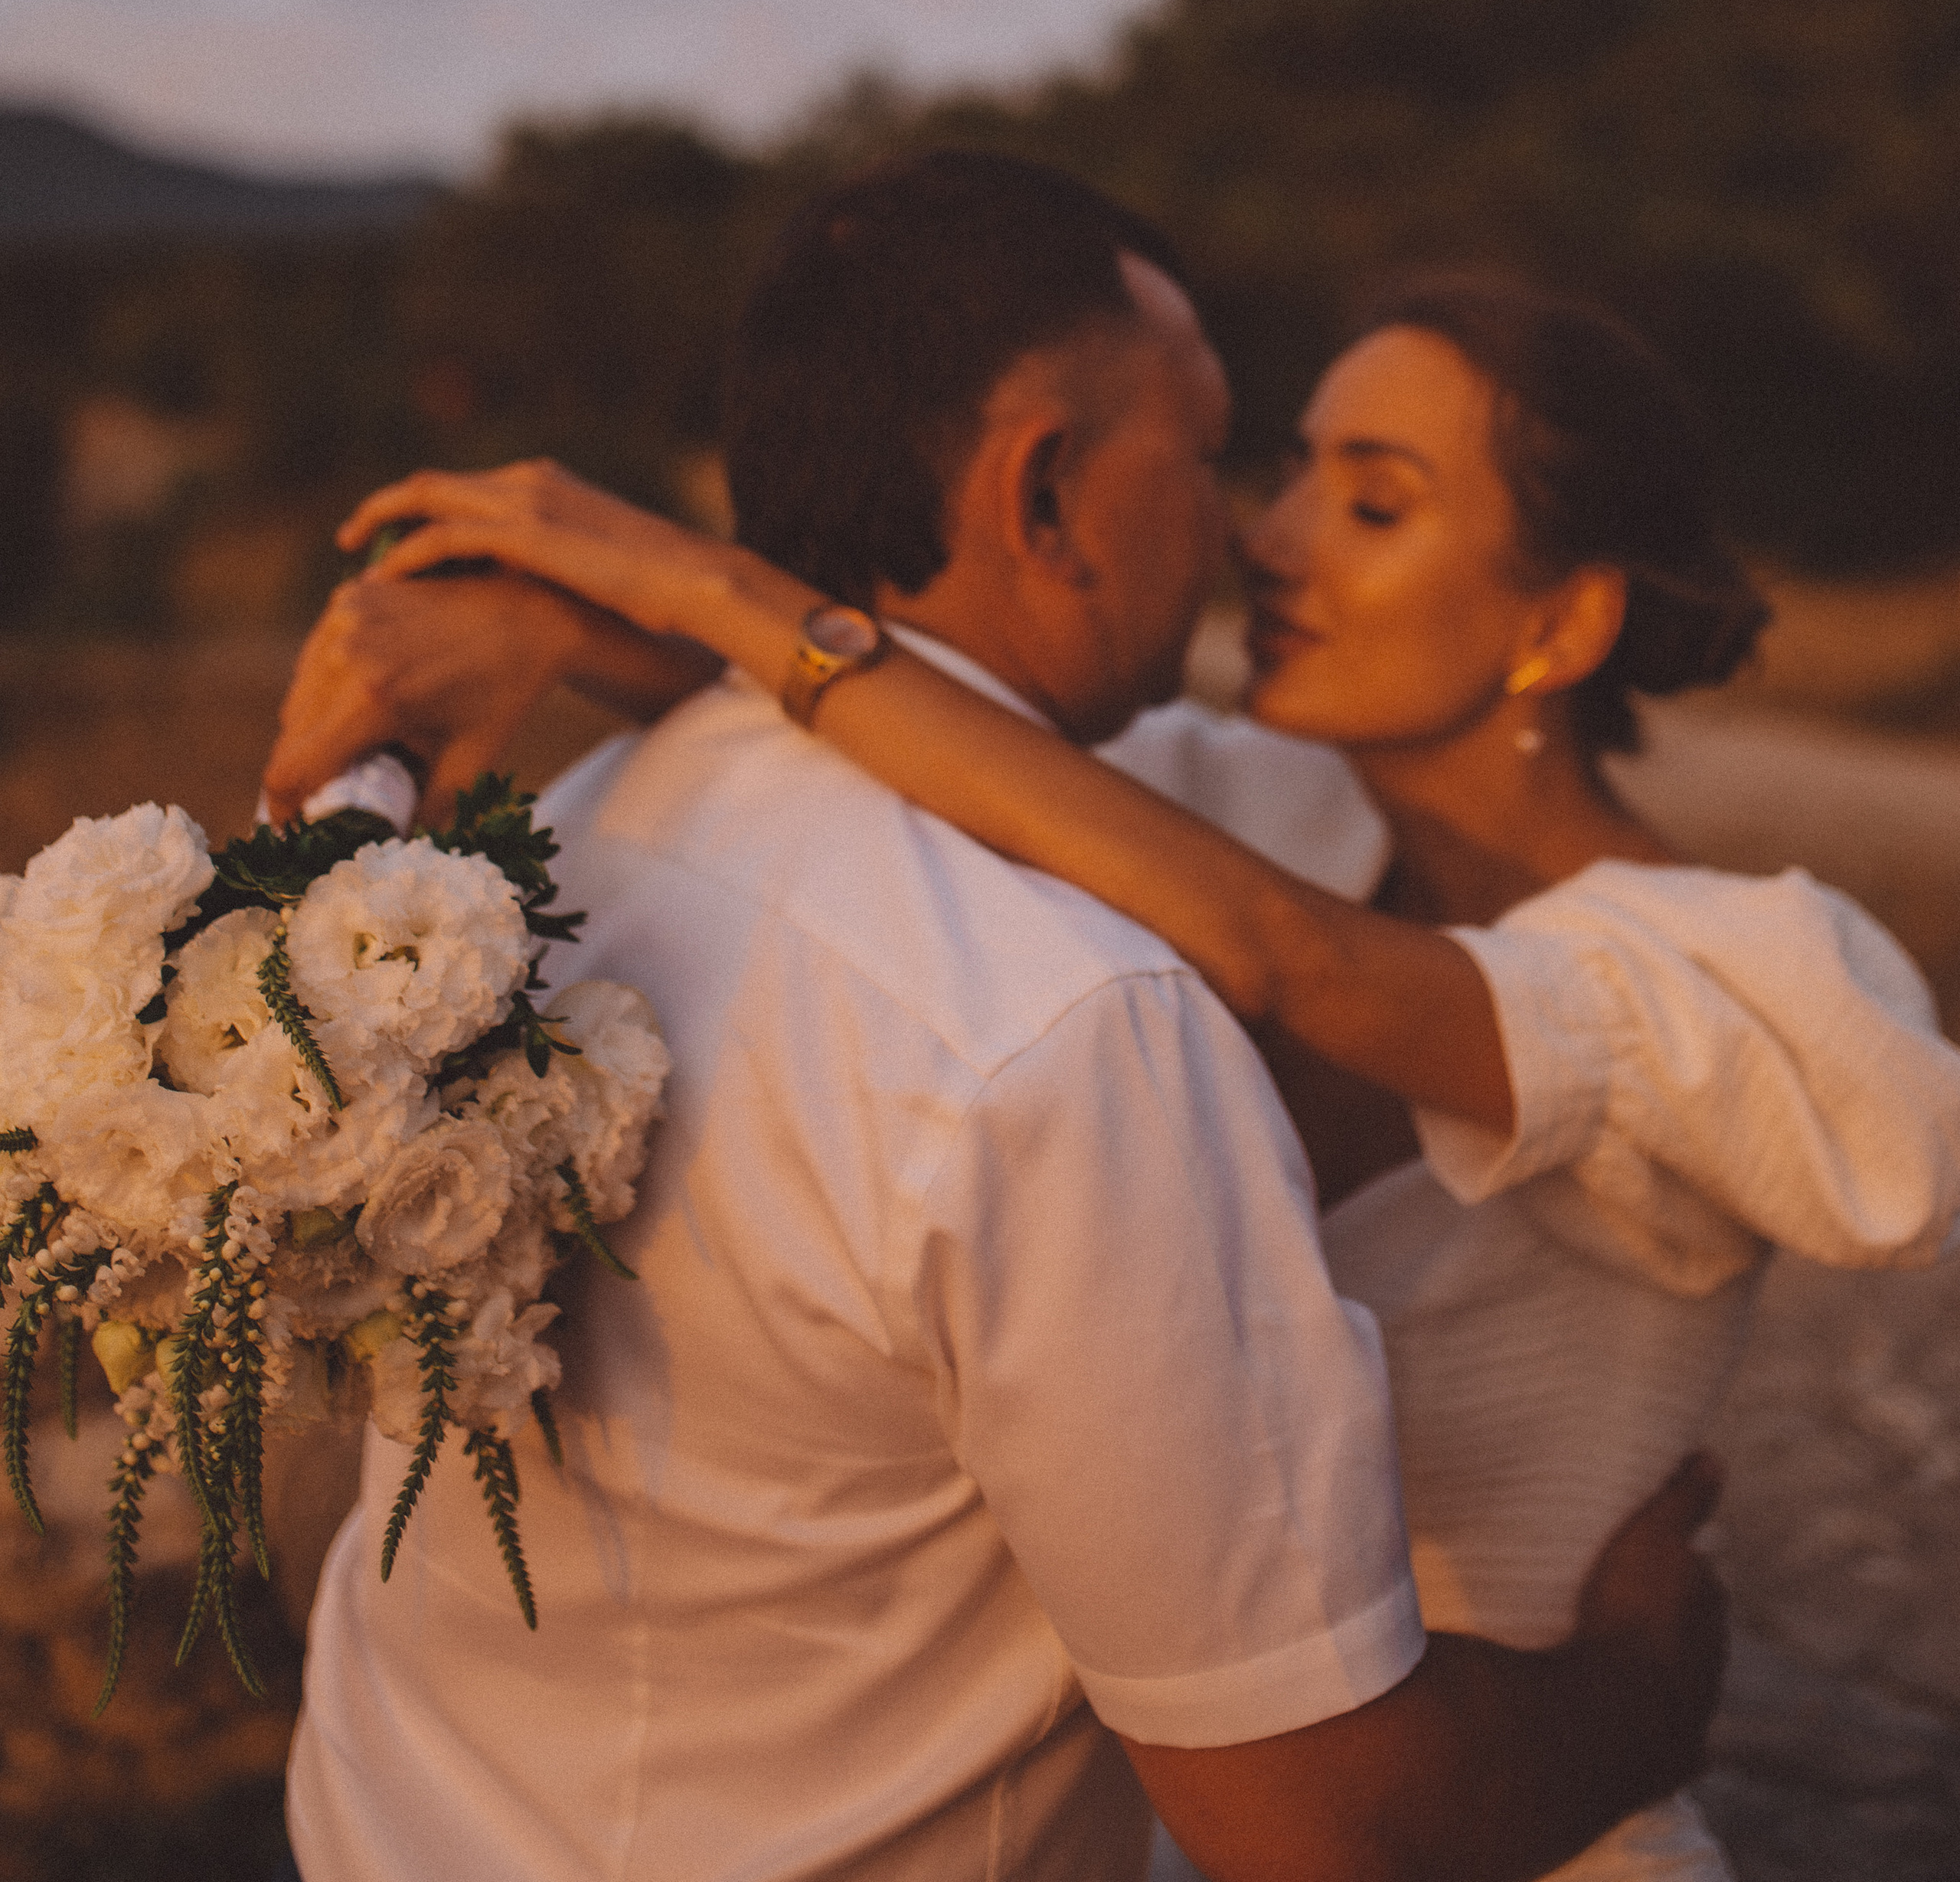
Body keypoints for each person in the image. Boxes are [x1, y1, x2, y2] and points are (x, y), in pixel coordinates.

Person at [293, 237, 1960, 1882]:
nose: (1270, 537)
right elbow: (921, 722)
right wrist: (556, 625)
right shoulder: (1238, 806)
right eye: (1285, 468)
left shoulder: (1733, 973)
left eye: (1370, 503)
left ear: (1562, 620)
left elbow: (1284, 956)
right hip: (1241, 1766)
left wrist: (704, 579)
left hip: (1521, 1821)